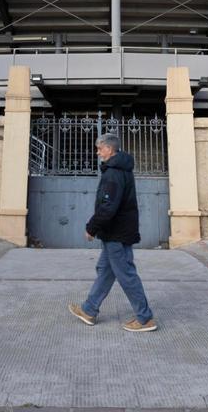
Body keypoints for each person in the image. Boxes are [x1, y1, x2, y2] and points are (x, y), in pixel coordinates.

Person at [68, 132, 157, 332]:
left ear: (109, 149)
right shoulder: (119, 169)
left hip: (116, 232)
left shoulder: (113, 173)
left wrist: (92, 227)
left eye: (100, 148)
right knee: (105, 270)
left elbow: (108, 206)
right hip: (118, 231)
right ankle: (89, 310)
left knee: (126, 274)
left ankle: (145, 318)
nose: (98, 152)